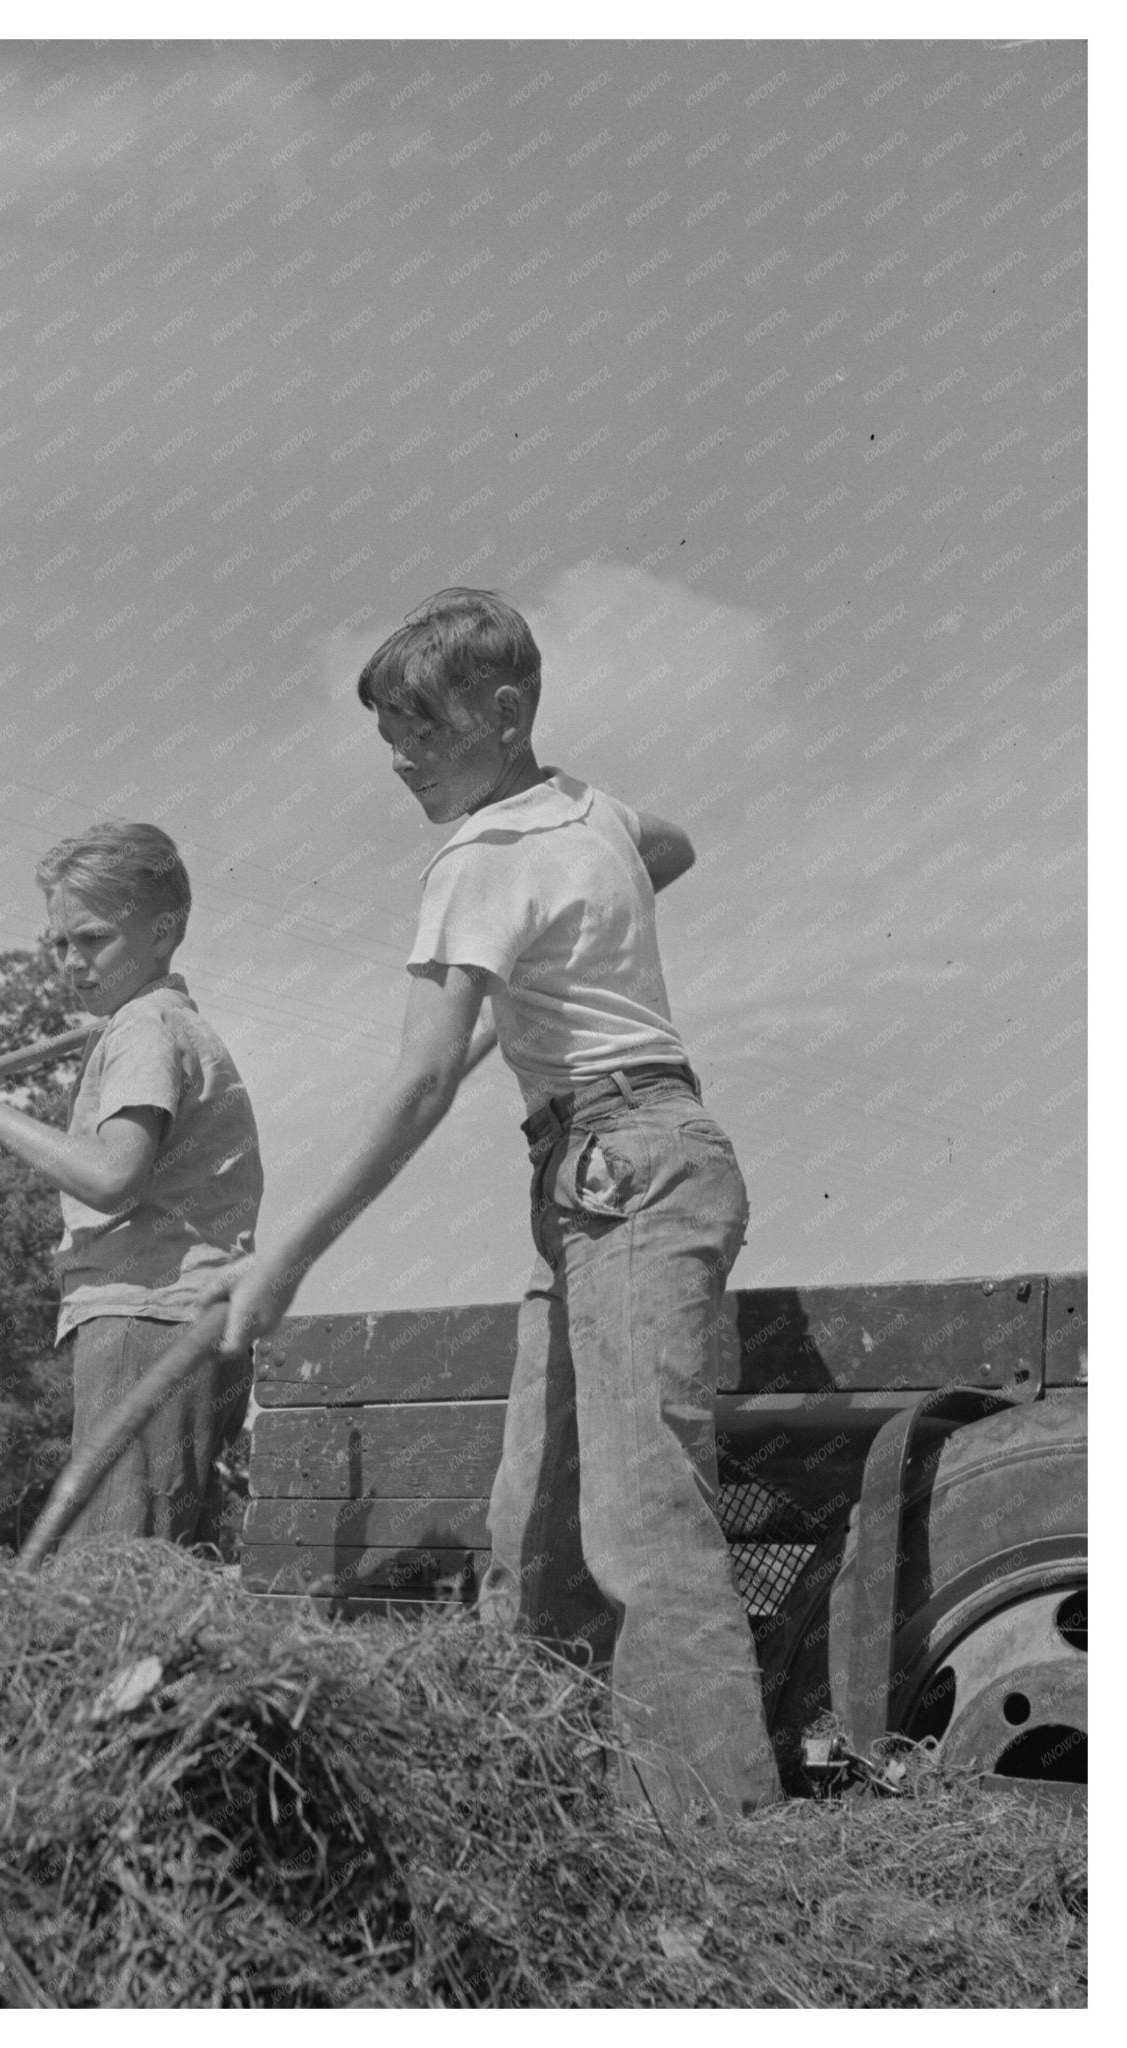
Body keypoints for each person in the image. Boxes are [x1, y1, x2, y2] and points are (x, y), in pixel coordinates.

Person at [200, 588, 779, 1816]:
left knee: (639, 1525)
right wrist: (561, 961)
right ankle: (551, 1808)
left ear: (505, 713)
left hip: (622, 1167)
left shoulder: (474, 857)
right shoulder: (585, 806)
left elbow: (416, 1085)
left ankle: (721, 1849)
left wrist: (283, 1262)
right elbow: (662, 846)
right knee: (534, 1515)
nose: (399, 758)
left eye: (421, 728)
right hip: (608, 1165)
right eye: (387, 734)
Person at [0, 821, 262, 1545]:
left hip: (147, 1317)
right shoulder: (168, 1023)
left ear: (164, 932)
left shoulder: (142, 1028)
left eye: (93, 939)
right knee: (160, 1562)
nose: (71, 963)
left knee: (112, 1564)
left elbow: (112, 1176)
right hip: (193, 1321)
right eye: (58, 944)